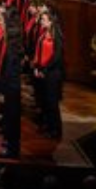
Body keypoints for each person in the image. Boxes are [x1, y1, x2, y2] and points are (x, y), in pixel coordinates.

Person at [33, 8, 64, 140]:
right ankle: (47, 125)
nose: (41, 21)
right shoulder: (44, 33)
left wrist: (44, 69)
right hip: (43, 71)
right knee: (44, 101)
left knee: (52, 103)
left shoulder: (57, 35)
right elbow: (40, 51)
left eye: (44, 20)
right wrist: (37, 67)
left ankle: (55, 130)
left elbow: (56, 57)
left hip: (52, 74)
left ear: (51, 22)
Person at [0, 8, 23, 159]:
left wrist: (5, 91)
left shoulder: (13, 50)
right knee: (9, 117)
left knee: (13, 118)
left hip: (12, 90)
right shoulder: (9, 46)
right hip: (9, 88)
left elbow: (13, 76)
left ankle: (13, 149)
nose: (0, 24)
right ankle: (8, 142)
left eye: (2, 22)